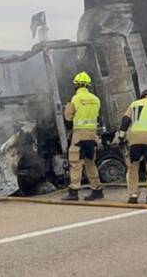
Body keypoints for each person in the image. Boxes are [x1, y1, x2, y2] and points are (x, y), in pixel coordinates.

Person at [62, 72, 104, 201]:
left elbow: (68, 121)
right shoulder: (96, 99)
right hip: (92, 135)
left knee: (76, 163)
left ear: (76, 85)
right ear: (88, 85)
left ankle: (73, 192)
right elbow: (98, 117)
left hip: (79, 136)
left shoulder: (74, 99)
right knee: (90, 163)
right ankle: (97, 190)